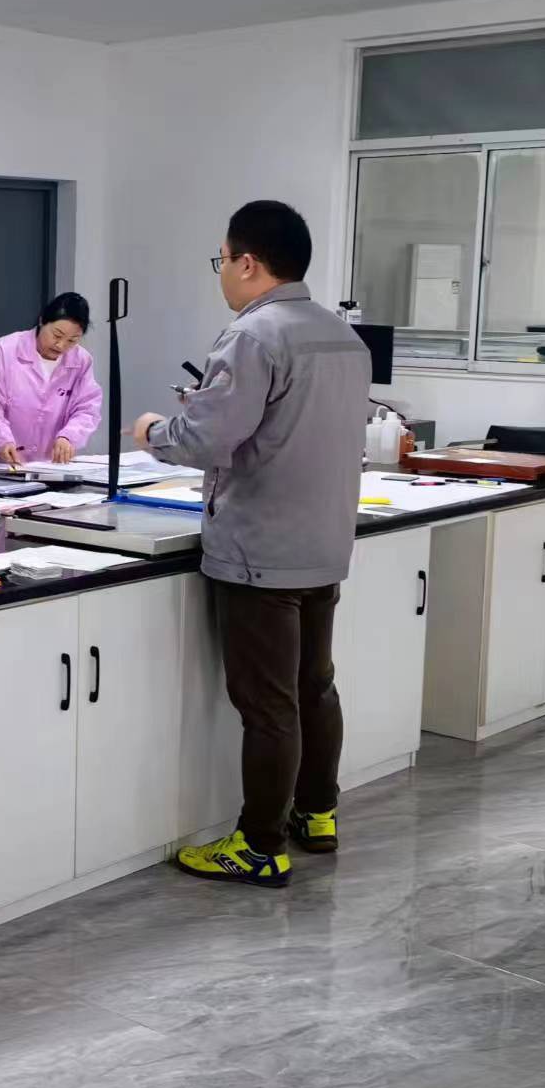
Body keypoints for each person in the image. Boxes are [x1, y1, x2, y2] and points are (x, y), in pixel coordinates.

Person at [132, 200, 370, 890]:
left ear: (247, 262)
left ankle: (260, 844)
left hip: (259, 550)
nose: (222, 273)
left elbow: (207, 439)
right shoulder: (342, 337)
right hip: (323, 542)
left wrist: (152, 430)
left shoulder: (254, 335)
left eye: (223, 259)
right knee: (313, 685)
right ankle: (316, 813)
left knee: (268, 705)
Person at [0, 291, 102, 467]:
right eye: (57, 335)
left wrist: (69, 436)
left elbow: (87, 409)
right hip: (2, 464)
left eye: (72, 340)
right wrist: (2, 439)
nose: (61, 345)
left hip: (50, 466)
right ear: (42, 320)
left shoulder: (81, 361)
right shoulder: (6, 349)